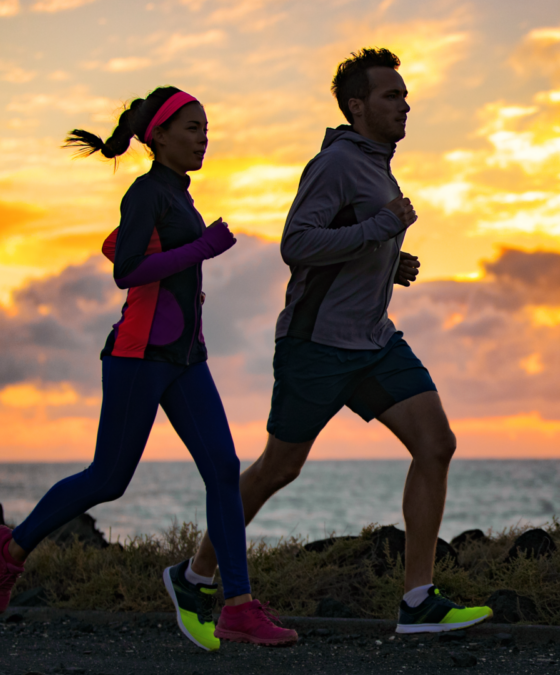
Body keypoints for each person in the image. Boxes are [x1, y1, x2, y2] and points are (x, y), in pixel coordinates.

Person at [177, 48, 493, 635]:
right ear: (357, 105)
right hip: (316, 345)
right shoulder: (337, 163)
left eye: (404, 95)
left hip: (373, 342)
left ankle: (418, 600)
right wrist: (382, 229)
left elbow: (347, 238)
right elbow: (297, 243)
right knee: (277, 468)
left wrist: (386, 260)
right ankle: (194, 576)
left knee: (436, 443)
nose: (404, 104)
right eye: (390, 96)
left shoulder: (377, 164)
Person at [0, 86, 297, 651]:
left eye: (206, 127)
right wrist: (205, 247)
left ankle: (239, 606)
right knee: (108, 479)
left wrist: (197, 253)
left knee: (224, 469)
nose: (204, 137)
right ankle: (12, 550)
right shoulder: (145, 192)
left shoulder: (181, 197)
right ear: (160, 137)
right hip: (137, 357)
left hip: (185, 358)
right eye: (193, 127)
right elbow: (127, 270)